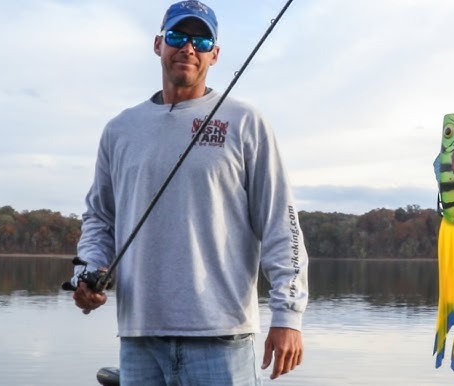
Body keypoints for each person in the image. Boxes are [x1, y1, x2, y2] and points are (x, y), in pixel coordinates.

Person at [70, 1, 309, 384]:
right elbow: (99, 218)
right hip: (139, 339)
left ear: (215, 54)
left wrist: (288, 316)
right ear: (158, 45)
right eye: (178, 36)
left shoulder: (246, 122)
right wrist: (89, 271)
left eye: (201, 40)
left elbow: (282, 223)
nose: (188, 48)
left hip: (222, 339)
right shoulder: (120, 130)